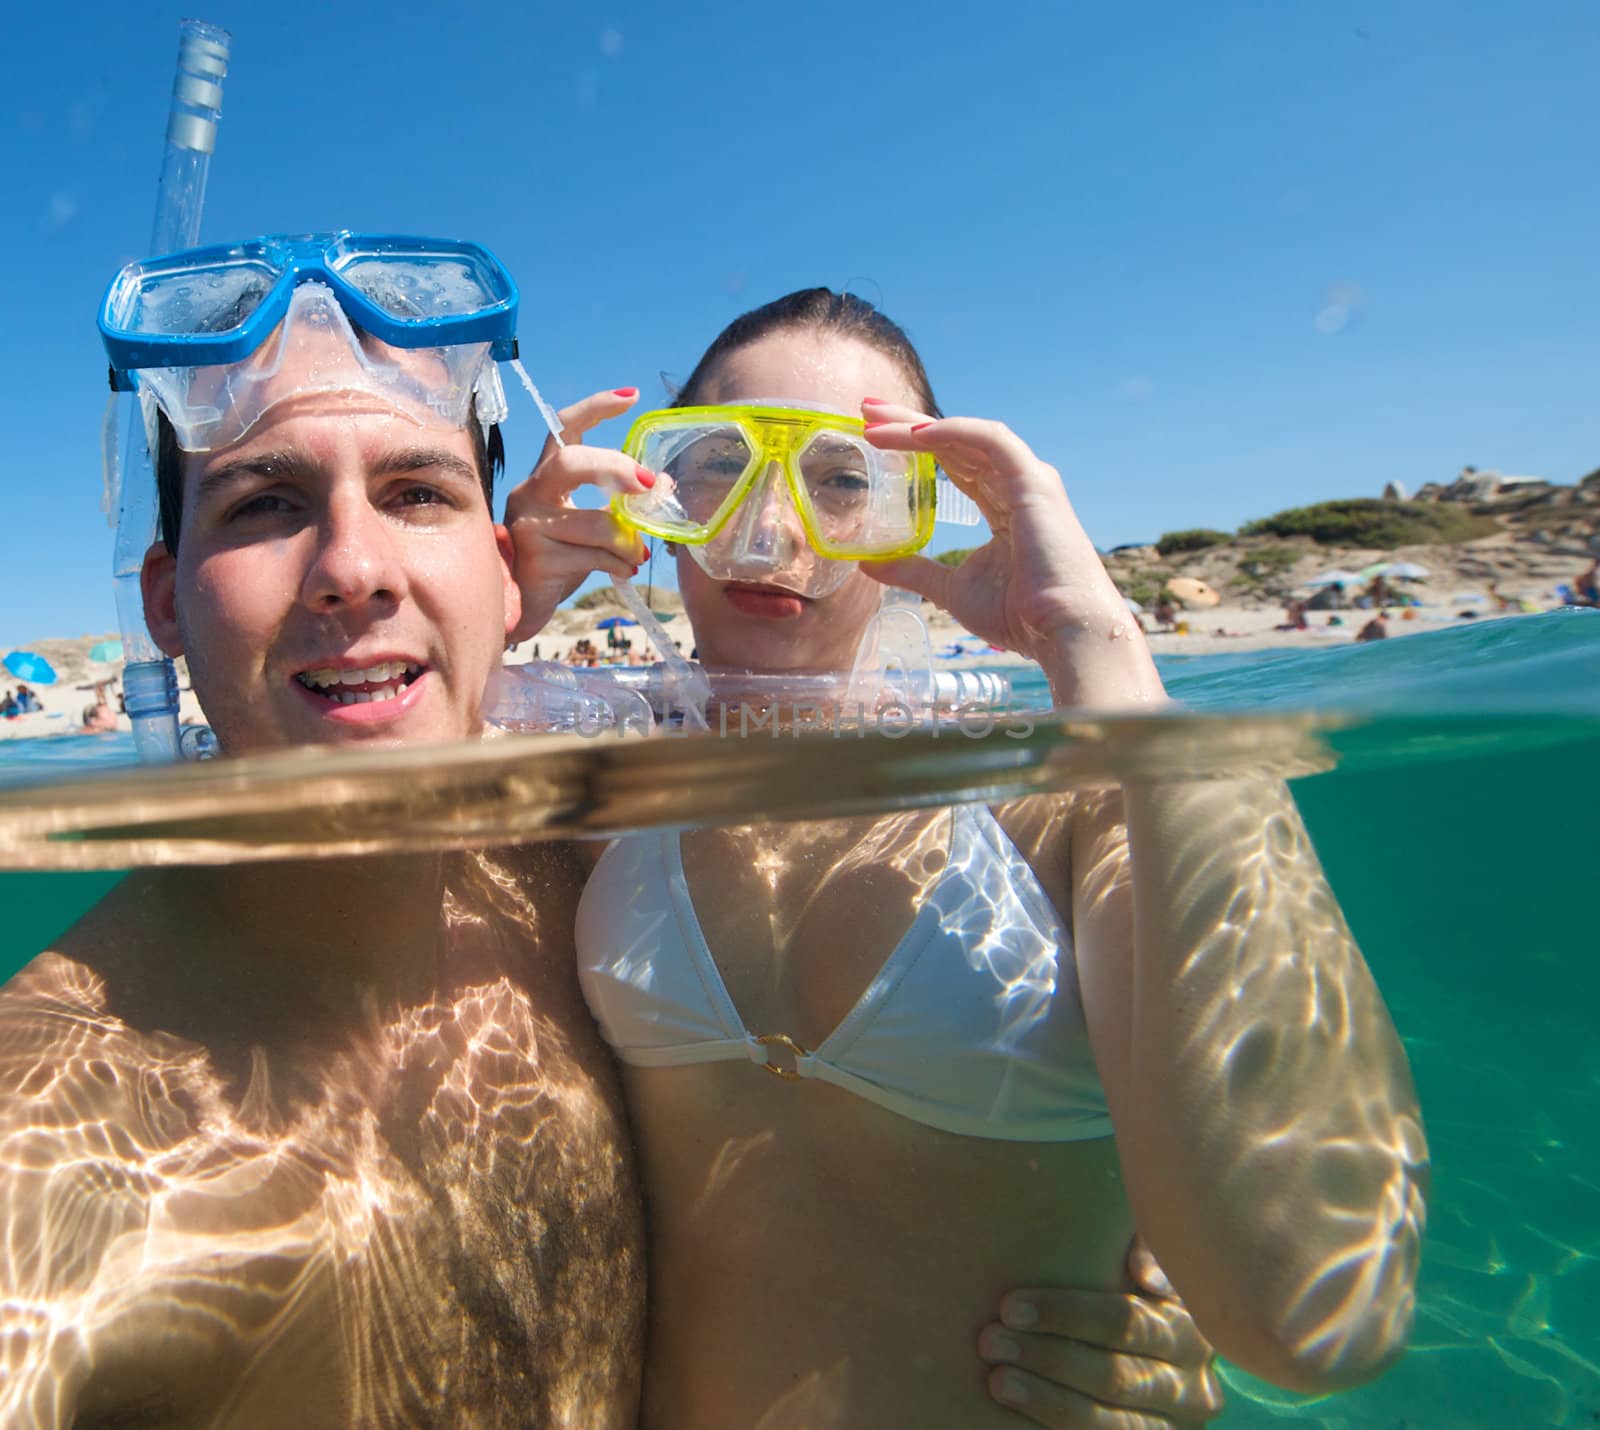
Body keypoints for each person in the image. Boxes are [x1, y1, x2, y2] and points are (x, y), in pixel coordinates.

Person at [507, 288, 1428, 1427]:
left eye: (842, 480)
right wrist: (491, 613)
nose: (771, 527)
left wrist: (1095, 646)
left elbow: (1320, 1309)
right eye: (717, 463)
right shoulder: (597, 785)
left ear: (918, 507)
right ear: (655, 485)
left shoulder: (1066, 796)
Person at [0, 235, 646, 1427]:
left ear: (508, 573)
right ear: (164, 602)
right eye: (266, 503)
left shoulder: (596, 894)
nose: (353, 565)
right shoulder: (48, 1126)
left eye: (417, 494)